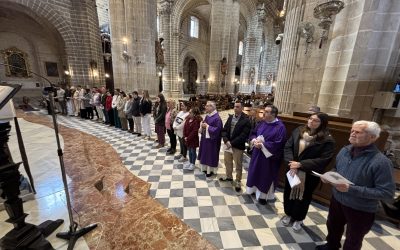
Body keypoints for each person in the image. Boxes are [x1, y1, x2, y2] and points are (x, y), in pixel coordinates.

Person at [316, 121, 395, 250]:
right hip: (337, 200)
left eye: (358, 132)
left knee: (353, 238)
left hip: (360, 208)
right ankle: (331, 246)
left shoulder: (381, 162)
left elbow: (387, 192)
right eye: (352, 130)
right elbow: (336, 169)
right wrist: (329, 175)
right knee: (333, 227)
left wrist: (351, 189)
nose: (352, 133)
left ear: (372, 137)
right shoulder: (345, 150)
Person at [282, 112, 335, 232]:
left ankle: (298, 218)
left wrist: (301, 164)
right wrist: (292, 164)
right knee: (288, 192)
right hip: (292, 169)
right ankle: (289, 214)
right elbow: (288, 147)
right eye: (310, 119)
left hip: (309, 174)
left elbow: (324, 159)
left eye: (316, 120)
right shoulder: (299, 130)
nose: (311, 121)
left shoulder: (327, 139)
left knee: (304, 196)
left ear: (323, 124)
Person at [246, 105, 286, 205]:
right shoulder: (262, 123)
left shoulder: (280, 127)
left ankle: (263, 196)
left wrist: (263, 145)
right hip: (257, 154)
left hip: (268, 158)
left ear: (273, 114)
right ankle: (253, 190)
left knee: (265, 175)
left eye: (267, 112)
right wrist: (254, 140)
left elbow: (279, 143)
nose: (263, 113)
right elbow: (253, 133)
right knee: (255, 172)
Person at [219, 101, 251, 192]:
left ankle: (238, 181)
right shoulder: (230, 118)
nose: (235, 108)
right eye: (234, 106)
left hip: (237, 146)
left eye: (237, 107)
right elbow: (224, 130)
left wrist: (231, 143)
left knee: (238, 164)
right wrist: (226, 140)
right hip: (228, 144)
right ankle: (229, 176)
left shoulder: (246, 120)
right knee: (227, 162)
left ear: (242, 108)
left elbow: (243, 135)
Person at [198, 101, 223, 177]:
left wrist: (207, 127)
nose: (205, 107)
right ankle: (205, 168)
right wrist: (202, 125)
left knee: (210, 155)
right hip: (205, 139)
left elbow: (218, 130)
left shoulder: (217, 118)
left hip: (212, 141)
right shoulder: (208, 115)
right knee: (205, 153)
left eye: (207, 106)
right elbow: (204, 123)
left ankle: (210, 170)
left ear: (212, 107)